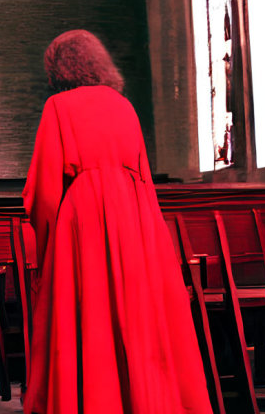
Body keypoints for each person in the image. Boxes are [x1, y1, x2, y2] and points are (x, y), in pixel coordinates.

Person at [21, 30, 211, 414]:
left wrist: (45, 247)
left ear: (59, 67)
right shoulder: (124, 106)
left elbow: (43, 192)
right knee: (138, 317)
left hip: (82, 224)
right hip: (138, 222)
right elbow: (143, 174)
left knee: (89, 319)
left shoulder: (59, 108)